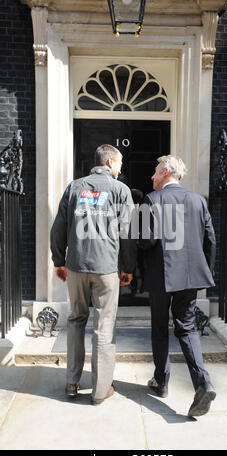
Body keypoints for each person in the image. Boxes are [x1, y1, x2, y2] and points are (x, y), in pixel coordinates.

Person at [50, 144, 136, 405]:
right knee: (104, 325)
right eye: (120, 164)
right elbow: (129, 233)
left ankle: (72, 383)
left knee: (76, 320)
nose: (121, 169)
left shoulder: (75, 187)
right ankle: (100, 390)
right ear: (109, 163)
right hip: (106, 267)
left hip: (76, 265)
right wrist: (129, 267)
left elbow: (58, 227)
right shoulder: (121, 190)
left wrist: (59, 261)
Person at [139, 155, 216, 417]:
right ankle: (203, 382)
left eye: (155, 172)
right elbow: (210, 240)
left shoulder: (152, 199)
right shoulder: (198, 201)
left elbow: (145, 241)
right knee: (187, 328)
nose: (152, 177)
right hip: (190, 276)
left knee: (160, 328)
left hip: (161, 275)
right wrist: (204, 270)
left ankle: (161, 381)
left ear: (166, 172)